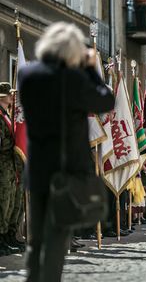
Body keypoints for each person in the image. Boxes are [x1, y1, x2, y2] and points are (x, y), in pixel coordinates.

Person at [19, 22, 115, 282]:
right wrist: (90, 69)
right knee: (57, 238)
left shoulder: (27, 74)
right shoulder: (73, 79)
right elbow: (106, 100)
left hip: (38, 167)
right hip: (67, 169)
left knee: (36, 238)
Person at [0, 82, 22, 256]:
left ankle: (9, 236)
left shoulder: (7, 114)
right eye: (9, 94)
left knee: (11, 203)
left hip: (11, 167)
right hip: (3, 166)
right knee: (3, 203)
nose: (12, 96)